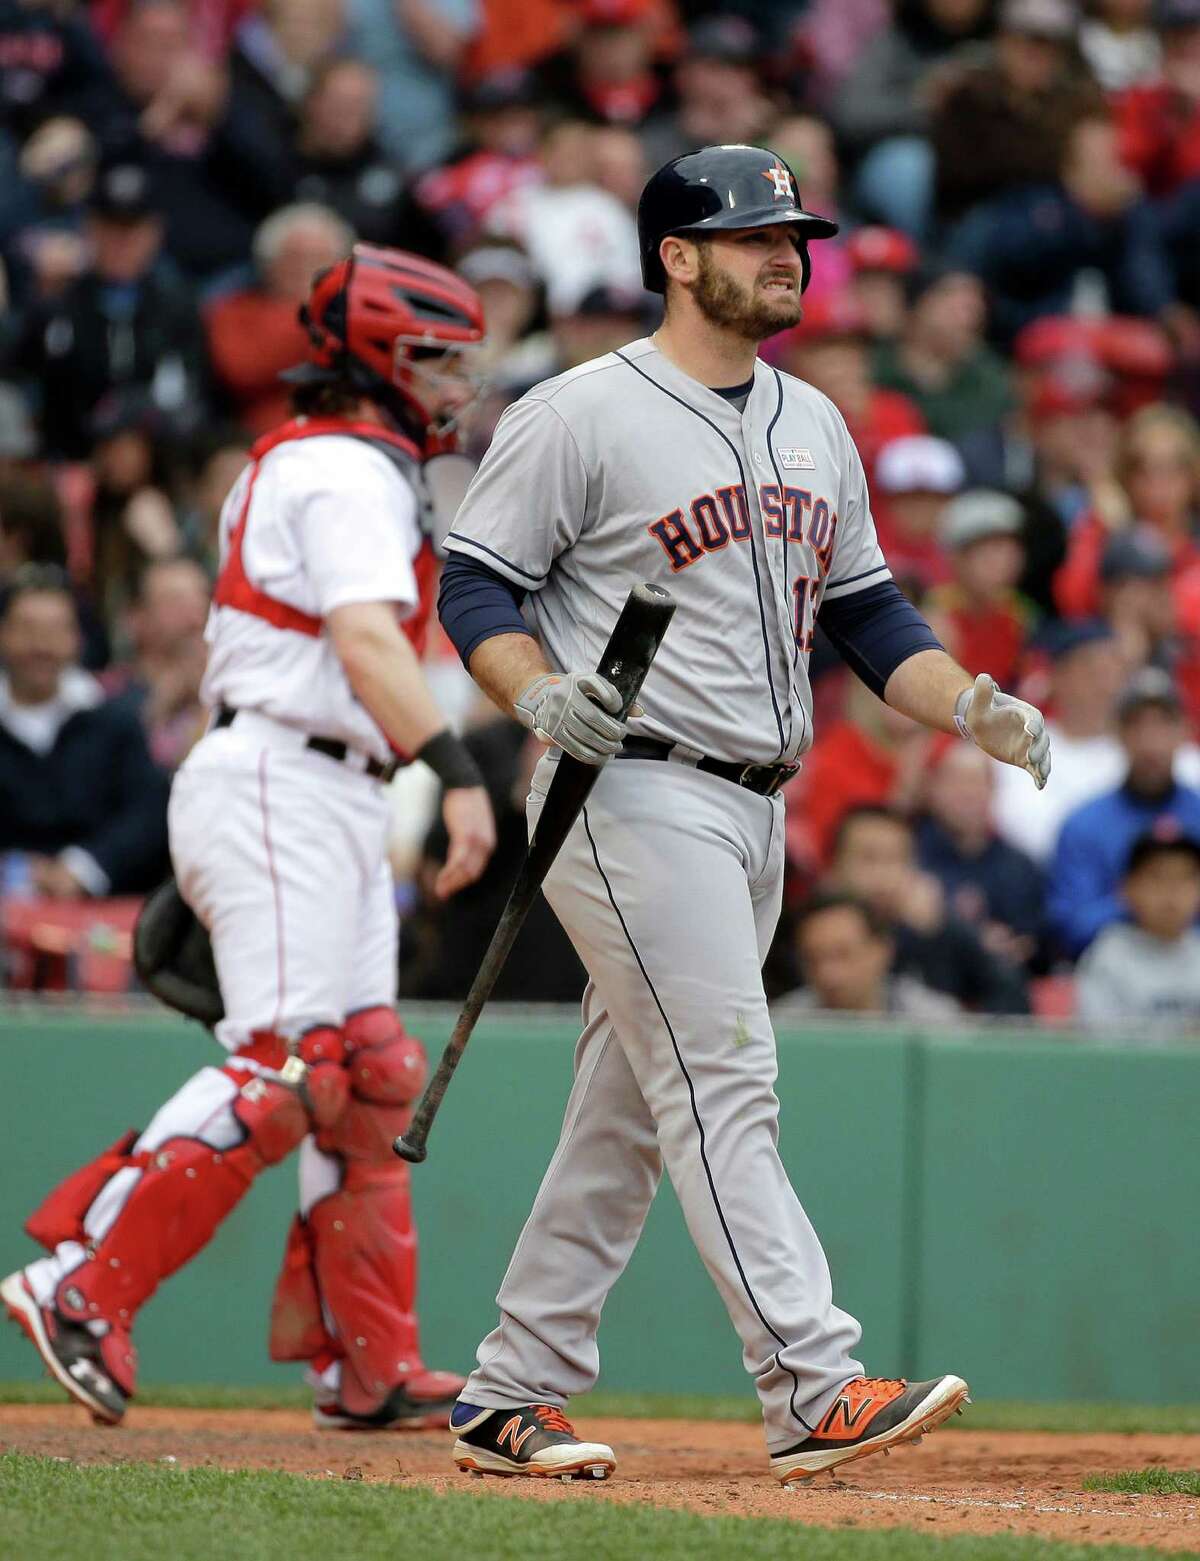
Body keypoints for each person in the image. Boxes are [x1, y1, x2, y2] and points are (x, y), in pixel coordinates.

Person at [435, 144, 1050, 1485]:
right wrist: (538, 698)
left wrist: (970, 708)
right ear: (677, 254)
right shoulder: (581, 412)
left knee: (629, 1111)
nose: (790, 255)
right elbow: (475, 588)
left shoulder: (815, 421)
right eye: (760, 235)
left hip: (756, 803)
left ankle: (508, 1386)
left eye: (797, 237)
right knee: (725, 1078)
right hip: (626, 783)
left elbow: (873, 618)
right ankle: (810, 1381)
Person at [1, 246, 497, 1432]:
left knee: (371, 1072)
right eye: (435, 358)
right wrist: (458, 771)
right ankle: (78, 1283)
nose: (455, 384)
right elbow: (370, 647)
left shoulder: (345, 460)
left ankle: (368, 1365)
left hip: (323, 782)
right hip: (282, 769)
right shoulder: (339, 466)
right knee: (288, 1065)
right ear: (378, 358)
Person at [0, 565, 169, 898]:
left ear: (77, 638)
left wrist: (84, 868)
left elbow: (148, 814)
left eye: (55, 630)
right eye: (27, 629)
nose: (41, 646)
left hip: (99, 912)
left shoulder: (113, 721)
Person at [1047, 666, 1200, 955]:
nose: (1150, 742)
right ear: (1117, 735)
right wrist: (1138, 900)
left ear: (1184, 732)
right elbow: (1069, 929)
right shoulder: (1084, 825)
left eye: (1163, 724)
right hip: (1112, 979)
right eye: (1137, 725)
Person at [831, 804, 1031, 1012]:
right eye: (868, 859)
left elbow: (1011, 990)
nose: (882, 875)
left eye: (895, 859)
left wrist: (931, 935)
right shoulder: (813, 927)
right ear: (836, 867)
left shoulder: (938, 926)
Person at [1075, 829, 1200, 1030]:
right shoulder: (1108, 956)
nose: (1171, 891)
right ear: (1127, 887)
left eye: (1185, 877)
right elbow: (1098, 1045)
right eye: (1157, 877)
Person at [783, 890, 961, 1018]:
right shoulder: (782, 1026)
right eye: (812, 959)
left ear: (882, 950)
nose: (827, 974)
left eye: (843, 954)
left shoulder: (936, 1023)